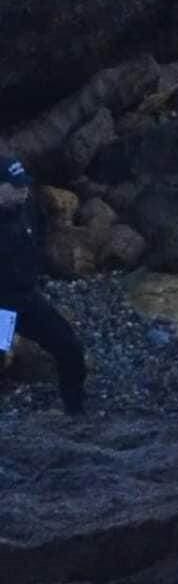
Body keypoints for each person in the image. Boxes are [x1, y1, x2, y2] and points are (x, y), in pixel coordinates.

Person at [0, 156, 86, 414]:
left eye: (24, 183)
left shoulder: (28, 207)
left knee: (69, 347)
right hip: (1, 311)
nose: (23, 190)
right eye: (15, 186)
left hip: (28, 299)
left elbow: (39, 238)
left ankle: (75, 412)